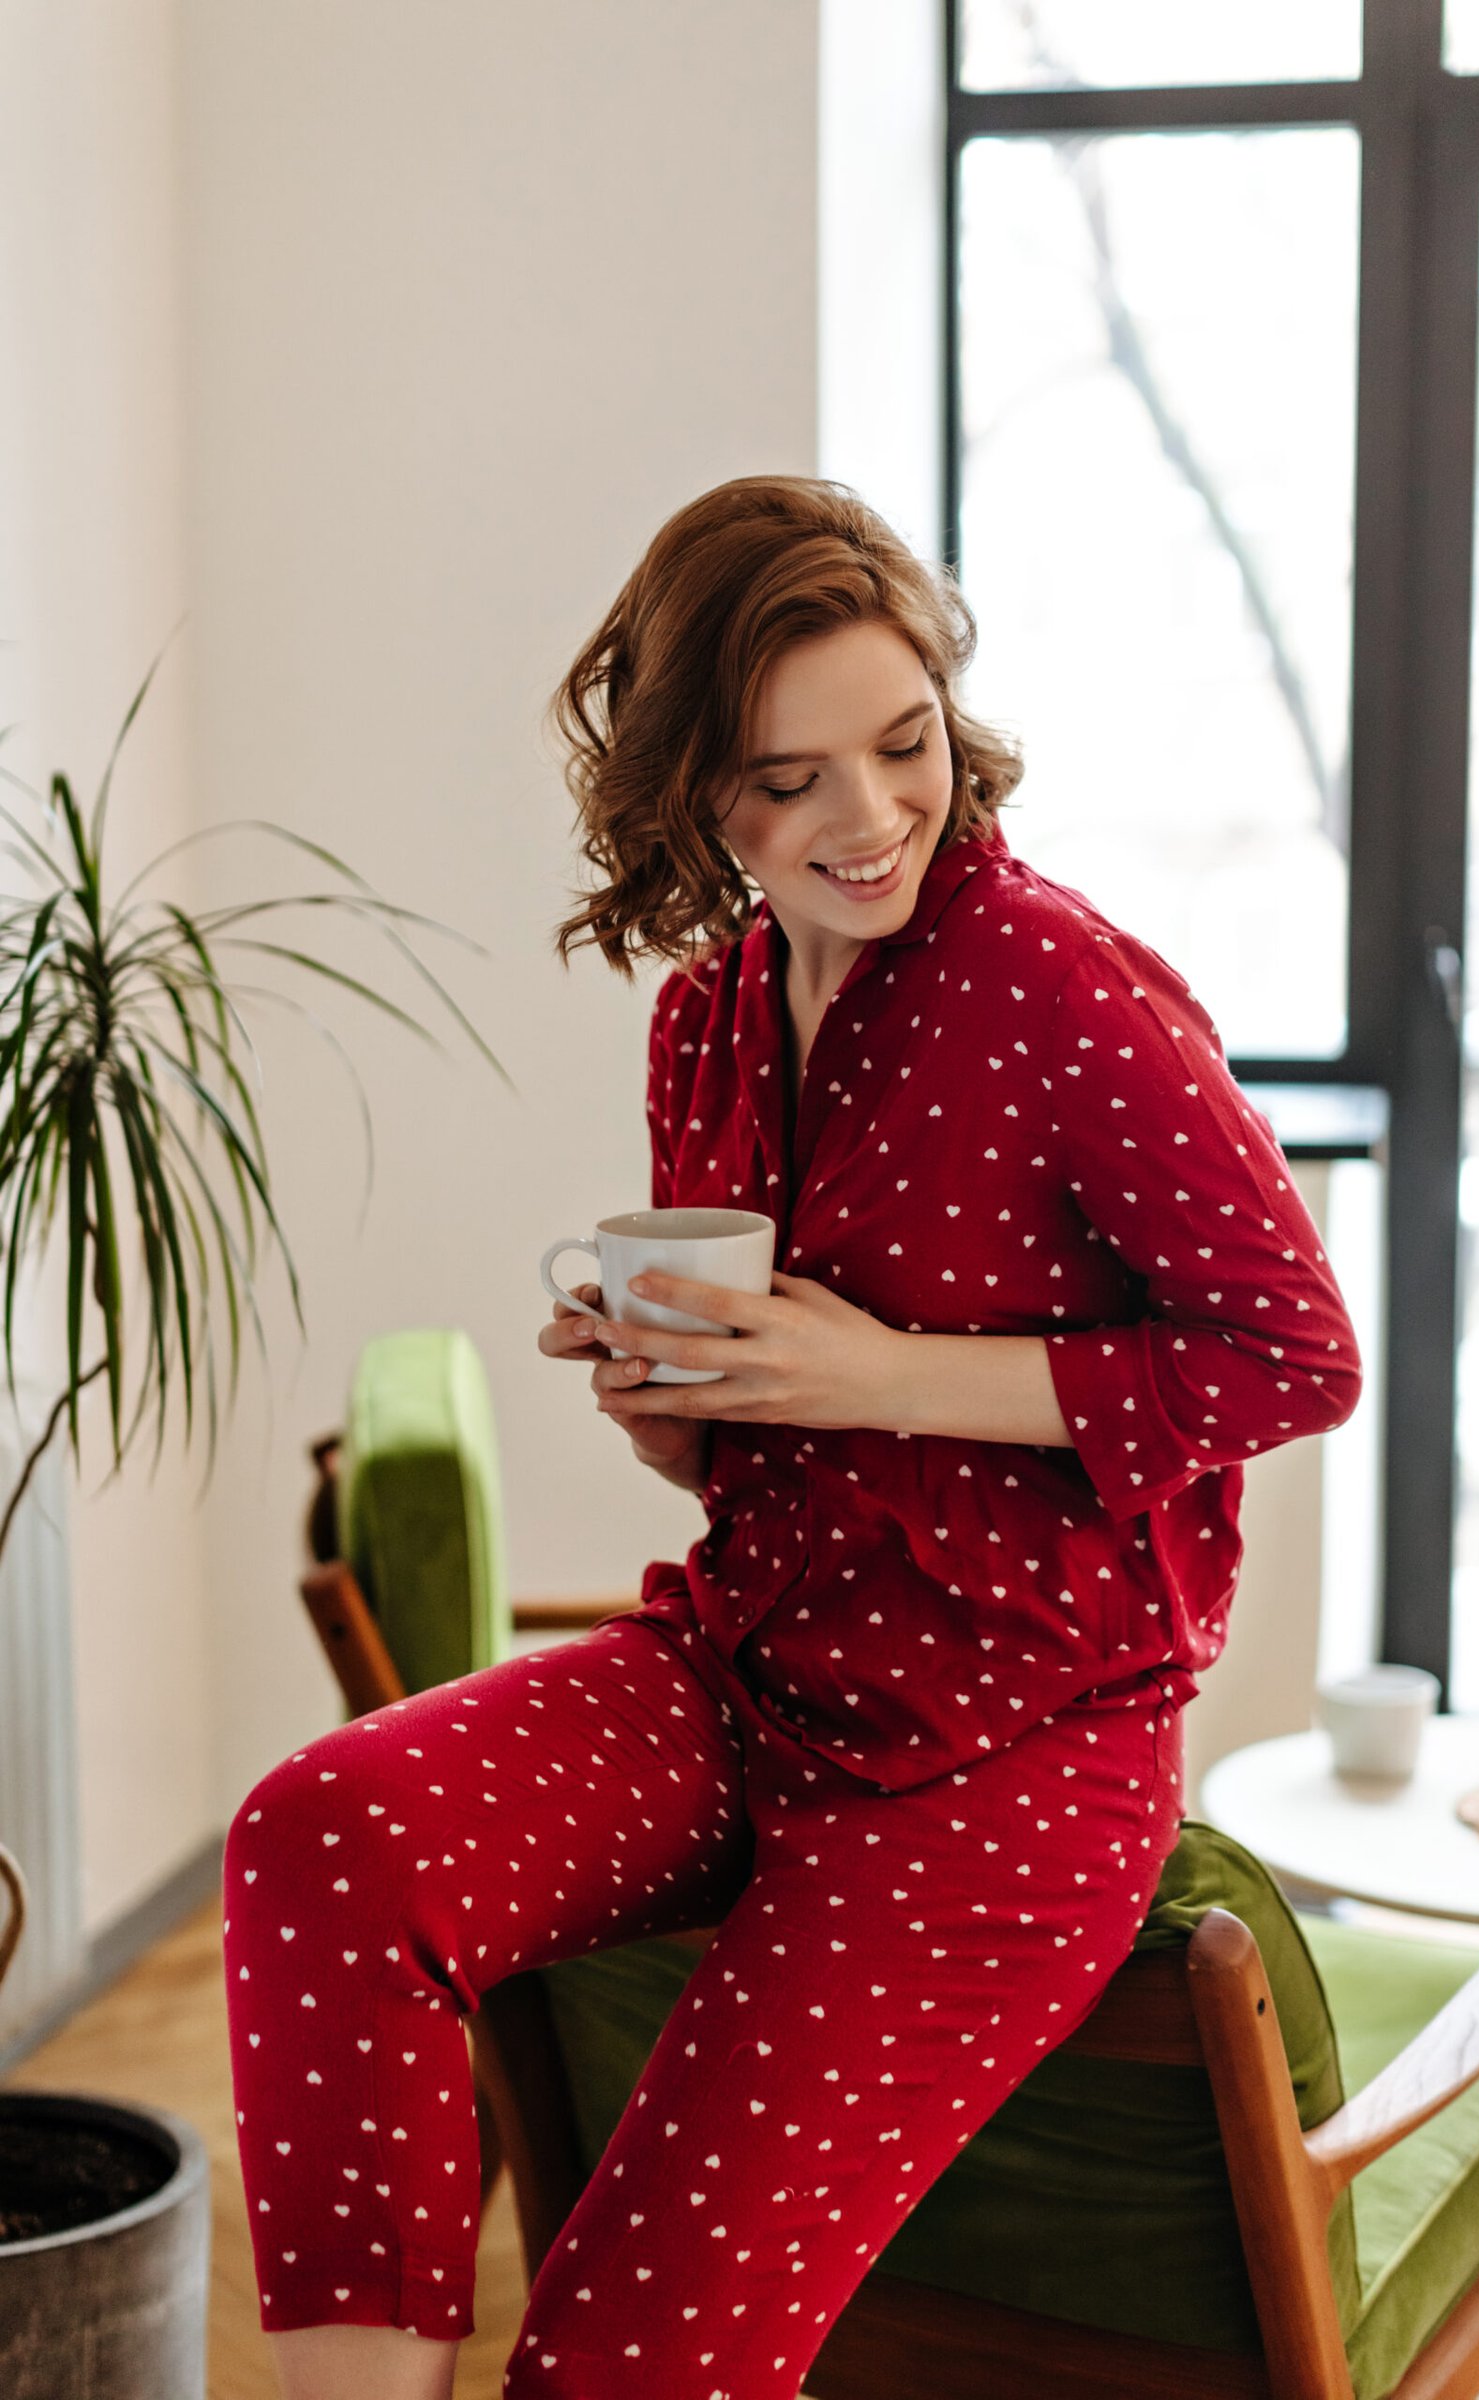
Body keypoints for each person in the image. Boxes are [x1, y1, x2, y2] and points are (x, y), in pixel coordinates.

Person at [222, 475, 1361, 2400]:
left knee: (618, 2356)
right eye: (790, 778)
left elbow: (1293, 1355)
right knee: (322, 1838)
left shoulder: (1061, 992)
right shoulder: (708, 1016)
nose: (872, 815)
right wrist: (687, 1405)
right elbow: (780, 1439)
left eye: (904, 743)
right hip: (750, 1670)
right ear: (698, 795)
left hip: (1006, 1762)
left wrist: (876, 1371)